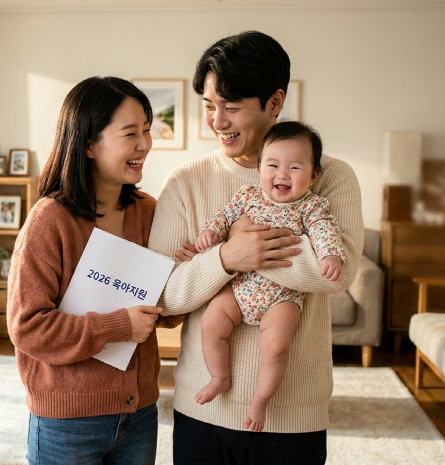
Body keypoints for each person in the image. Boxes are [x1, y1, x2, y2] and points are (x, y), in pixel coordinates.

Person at [148, 31, 363, 464]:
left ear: (275, 102)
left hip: (292, 416)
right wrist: (228, 256)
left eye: (231, 106)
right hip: (200, 410)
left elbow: (337, 272)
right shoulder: (186, 182)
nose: (217, 120)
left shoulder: (328, 176)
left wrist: (217, 259)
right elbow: (164, 291)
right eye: (209, 106)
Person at [6, 76, 182, 465]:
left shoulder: (150, 212)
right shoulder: (50, 221)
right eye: (130, 133)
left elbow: (167, 313)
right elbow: (27, 326)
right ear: (88, 144)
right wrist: (117, 326)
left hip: (139, 415)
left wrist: (189, 270)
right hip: (66, 422)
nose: (145, 145)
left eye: (148, 131)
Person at [193, 121, 345, 433]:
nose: (282, 175)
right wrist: (211, 232)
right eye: (273, 165)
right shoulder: (247, 196)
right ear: (260, 168)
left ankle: (260, 400)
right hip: (238, 286)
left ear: (314, 175)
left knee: (276, 347)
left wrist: (331, 255)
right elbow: (224, 217)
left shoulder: (311, 206)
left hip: (283, 295)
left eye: (295, 167)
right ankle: (220, 377)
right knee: (211, 324)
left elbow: (324, 232)